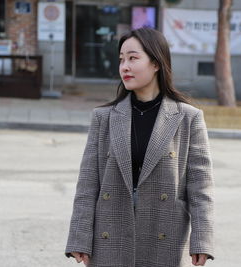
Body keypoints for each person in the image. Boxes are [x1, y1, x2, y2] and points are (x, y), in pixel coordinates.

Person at [65, 27, 215, 267]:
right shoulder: (104, 117)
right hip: (110, 235)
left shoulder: (187, 118)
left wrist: (202, 241)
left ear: (156, 63)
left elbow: (200, 188)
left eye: (133, 58)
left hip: (164, 233)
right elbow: (87, 184)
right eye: (121, 59)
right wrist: (79, 239)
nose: (124, 66)